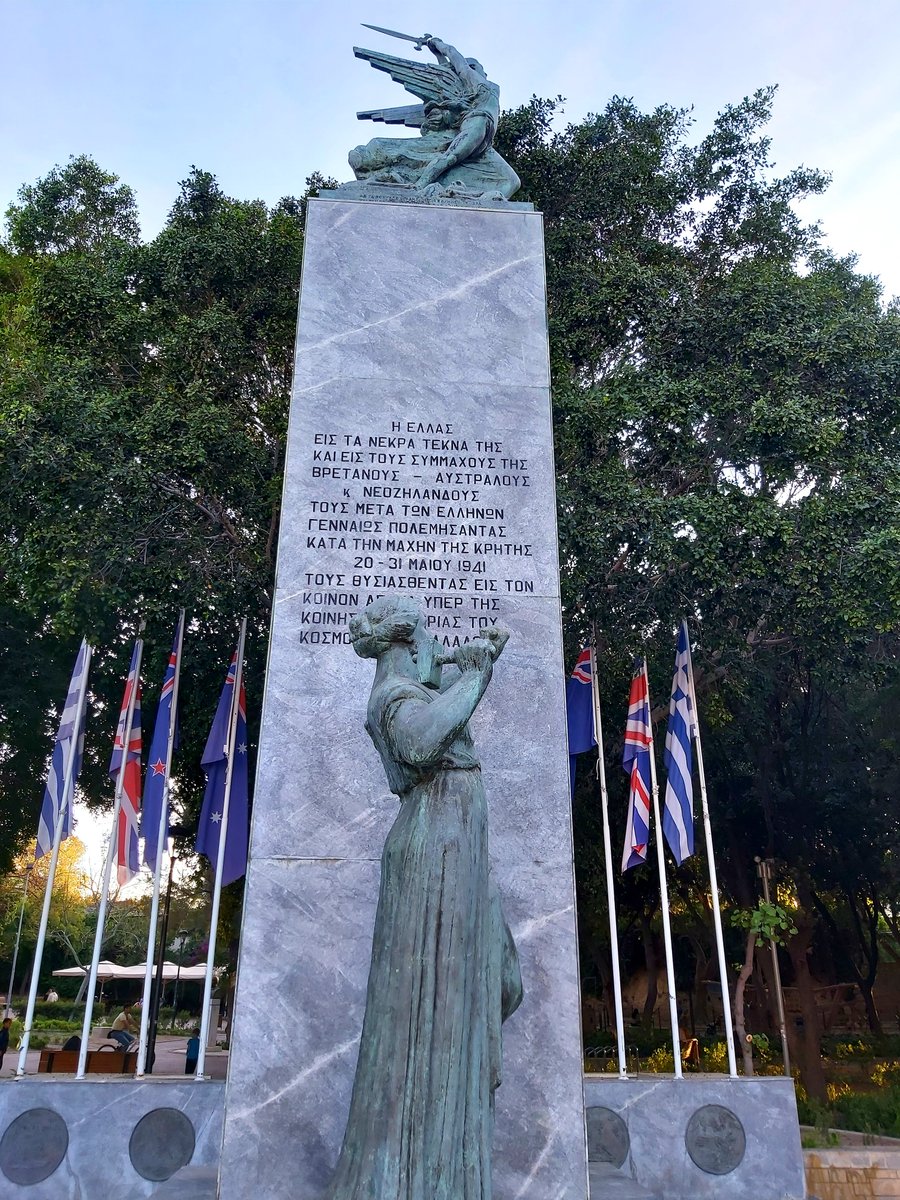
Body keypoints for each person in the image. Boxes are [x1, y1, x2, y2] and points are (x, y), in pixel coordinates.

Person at [325, 597, 522, 1200]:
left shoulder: (419, 691)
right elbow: (420, 743)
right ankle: (412, 1176)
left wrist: (466, 671)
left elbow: (441, 717)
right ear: (408, 646)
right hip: (431, 854)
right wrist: (478, 675)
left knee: (502, 981)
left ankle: (448, 1159)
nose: (440, 650)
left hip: (456, 854)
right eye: (433, 642)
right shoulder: (392, 698)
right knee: (427, 1015)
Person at [415, 37, 501, 192]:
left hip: (487, 139)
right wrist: (437, 45)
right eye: (472, 66)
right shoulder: (472, 78)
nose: (474, 69)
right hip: (477, 123)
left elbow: (452, 74)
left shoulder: (492, 87)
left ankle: (474, 198)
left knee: (512, 182)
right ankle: (418, 186)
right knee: (451, 157)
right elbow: (453, 54)